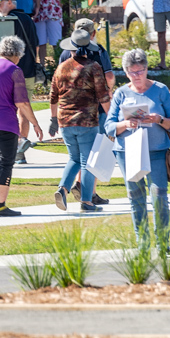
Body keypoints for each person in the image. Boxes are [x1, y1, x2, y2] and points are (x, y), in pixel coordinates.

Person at [107, 49, 170, 246]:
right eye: (132, 72)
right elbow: (109, 126)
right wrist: (125, 124)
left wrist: (159, 119)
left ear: (147, 69)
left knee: (159, 195)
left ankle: (162, 241)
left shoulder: (160, 90)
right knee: (135, 196)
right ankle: (143, 242)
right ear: (125, 72)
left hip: (157, 151)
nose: (137, 76)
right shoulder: (121, 93)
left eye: (140, 71)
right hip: (128, 152)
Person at [0, 35, 43, 217]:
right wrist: (35, 124)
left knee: (0, 161)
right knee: (6, 163)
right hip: (5, 123)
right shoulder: (15, 70)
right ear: (17, 53)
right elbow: (22, 103)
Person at [48, 29, 112, 212]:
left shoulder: (61, 68)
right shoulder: (94, 67)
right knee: (87, 162)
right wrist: (111, 119)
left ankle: (63, 188)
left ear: (71, 49)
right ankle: (86, 201)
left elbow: (53, 96)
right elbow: (103, 97)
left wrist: (53, 119)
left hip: (65, 122)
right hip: (87, 122)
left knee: (74, 158)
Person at [0, 0, 39, 80]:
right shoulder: (28, 18)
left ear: (9, 3)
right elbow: (37, 45)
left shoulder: (7, 21)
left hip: (12, 74)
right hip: (29, 73)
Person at [58, 17, 115, 87]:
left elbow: (59, 76)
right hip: (94, 95)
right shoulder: (100, 52)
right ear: (93, 33)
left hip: (70, 95)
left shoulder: (66, 52)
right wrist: (109, 91)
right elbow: (109, 76)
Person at [33, 0, 61, 67]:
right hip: (39, 14)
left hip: (53, 13)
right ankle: (42, 66)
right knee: (41, 42)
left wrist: (62, 1)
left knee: (55, 41)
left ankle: (59, 65)